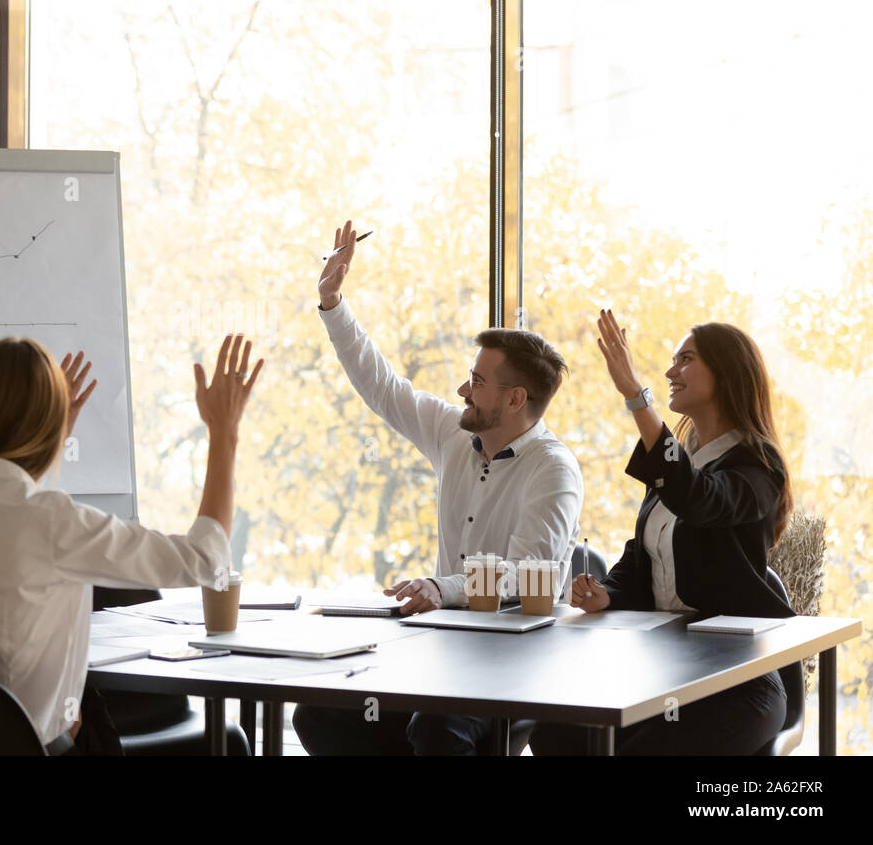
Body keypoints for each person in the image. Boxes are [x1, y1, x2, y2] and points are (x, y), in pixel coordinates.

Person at [293, 220, 584, 755]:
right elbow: (384, 387)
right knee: (320, 714)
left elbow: (525, 576)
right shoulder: (454, 432)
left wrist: (441, 587)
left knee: (435, 727)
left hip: (514, 662)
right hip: (443, 649)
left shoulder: (554, 470)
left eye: (476, 382)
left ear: (516, 399)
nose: (461, 390)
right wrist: (333, 303)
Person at [0, 334, 263, 755]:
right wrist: (225, 433)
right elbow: (207, 560)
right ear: (48, 423)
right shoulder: (50, 520)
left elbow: (8, 523)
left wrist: (48, 435)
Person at [530, 310, 793, 755]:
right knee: (555, 736)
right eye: (672, 361)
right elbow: (642, 557)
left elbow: (699, 499)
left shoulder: (758, 466)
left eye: (685, 359)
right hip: (663, 668)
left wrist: (637, 395)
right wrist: (606, 592)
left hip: (736, 682)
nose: (671, 371)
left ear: (727, 372)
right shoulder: (679, 461)